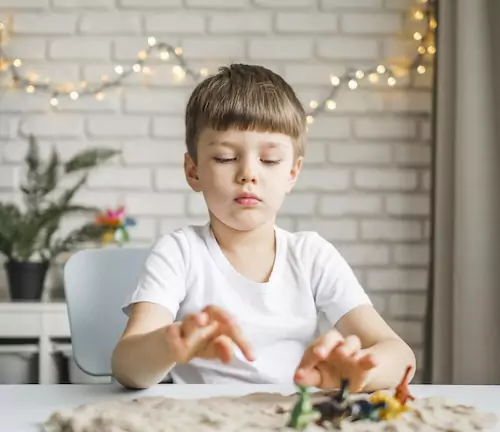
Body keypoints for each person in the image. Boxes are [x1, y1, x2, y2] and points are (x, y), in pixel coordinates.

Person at [111, 63, 416, 391]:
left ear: (292, 174)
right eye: (226, 158)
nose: (248, 174)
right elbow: (127, 367)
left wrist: (359, 373)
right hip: (205, 424)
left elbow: (400, 355)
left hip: (288, 423)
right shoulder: (180, 253)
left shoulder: (311, 256)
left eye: (269, 160)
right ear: (193, 170)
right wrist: (170, 344)